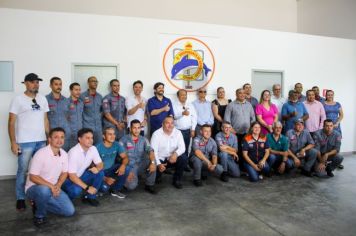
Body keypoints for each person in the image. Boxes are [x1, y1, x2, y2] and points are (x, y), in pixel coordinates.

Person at [8, 73, 49, 211]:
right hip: (25, 142)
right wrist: (13, 142)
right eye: (32, 82)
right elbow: (11, 123)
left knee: (40, 171)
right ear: (25, 83)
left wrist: (48, 137)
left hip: (41, 141)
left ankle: (36, 196)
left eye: (37, 82)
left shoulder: (42, 99)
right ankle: (20, 198)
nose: (35, 84)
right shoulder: (18, 100)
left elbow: (45, 120)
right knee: (23, 170)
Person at [25, 128, 75, 227]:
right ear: (49, 139)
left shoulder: (64, 154)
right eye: (56, 137)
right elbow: (33, 177)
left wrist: (58, 185)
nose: (59, 140)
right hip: (35, 188)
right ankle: (39, 215)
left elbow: (64, 173)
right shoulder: (41, 154)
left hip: (53, 187)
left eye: (62, 137)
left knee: (69, 211)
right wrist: (51, 187)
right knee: (44, 191)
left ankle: (38, 203)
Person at [62, 128, 104, 207]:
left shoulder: (93, 148)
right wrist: (88, 188)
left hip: (80, 175)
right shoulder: (74, 152)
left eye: (91, 138)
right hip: (67, 180)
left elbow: (100, 164)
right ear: (80, 139)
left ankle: (90, 197)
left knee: (100, 173)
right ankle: (65, 200)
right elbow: (72, 176)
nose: (91, 140)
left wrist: (97, 168)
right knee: (76, 190)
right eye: (87, 138)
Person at [120, 120, 157, 194]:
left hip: (140, 164)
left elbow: (150, 151)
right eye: (134, 128)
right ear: (130, 129)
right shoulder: (124, 140)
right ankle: (124, 180)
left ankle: (149, 185)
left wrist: (152, 162)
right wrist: (127, 170)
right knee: (131, 186)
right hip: (130, 166)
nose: (137, 130)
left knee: (153, 160)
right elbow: (121, 157)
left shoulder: (144, 139)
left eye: (138, 128)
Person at [150, 116, 187, 189]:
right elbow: (153, 152)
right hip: (160, 159)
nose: (170, 125)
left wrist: (175, 154)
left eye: (172, 123)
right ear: (162, 124)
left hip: (172, 158)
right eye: (167, 123)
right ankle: (158, 175)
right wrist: (159, 164)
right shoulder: (156, 134)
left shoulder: (178, 133)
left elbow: (182, 147)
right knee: (155, 175)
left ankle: (177, 180)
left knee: (183, 158)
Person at [96, 127, 130, 199]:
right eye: (109, 134)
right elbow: (92, 168)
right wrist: (104, 178)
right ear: (104, 136)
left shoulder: (117, 144)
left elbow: (125, 157)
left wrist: (123, 166)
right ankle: (100, 188)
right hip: (100, 172)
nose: (112, 136)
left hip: (111, 169)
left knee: (127, 168)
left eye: (114, 134)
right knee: (104, 188)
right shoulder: (97, 147)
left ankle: (115, 190)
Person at [224, 88, 255, 158]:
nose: (242, 95)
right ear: (236, 94)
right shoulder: (231, 105)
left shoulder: (249, 105)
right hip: (235, 133)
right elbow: (226, 120)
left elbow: (253, 118)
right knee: (236, 150)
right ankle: (237, 166)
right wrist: (231, 130)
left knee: (247, 150)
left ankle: (245, 165)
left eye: (243, 93)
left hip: (247, 132)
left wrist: (251, 130)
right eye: (240, 93)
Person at [46, 77, 70, 151]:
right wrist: (47, 135)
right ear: (50, 86)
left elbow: (68, 116)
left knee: (65, 155)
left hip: (65, 134)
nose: (58, 86)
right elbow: (44, 118)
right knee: (52, 156)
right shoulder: (45, 99)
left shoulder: (66, 100)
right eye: (56, 84)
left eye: (60, 84)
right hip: (52, 134)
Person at [173, 89, 197, 158]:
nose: (184, 96)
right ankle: (179, 164)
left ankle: (185, 164)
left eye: (185, 95)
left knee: (186, 147)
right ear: (178, 96)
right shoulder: (174, 105)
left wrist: (193, 129)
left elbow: (194, 117)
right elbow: (174, 117)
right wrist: (182, 113)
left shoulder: (190, 105)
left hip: (188, 131)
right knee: (178, 148)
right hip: (177, 131)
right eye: (182, 95)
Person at [81, 76, 103, 144]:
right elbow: (79, 111)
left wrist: (99, 117)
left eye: (96, 81)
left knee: (98, 147)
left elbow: (102, 111)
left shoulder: (100, 96)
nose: (95, 83)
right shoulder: (82, 96)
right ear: (88, 83)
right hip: (87, 127)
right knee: (87, 146)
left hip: (98, 128)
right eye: (93, 81)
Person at [67, 82, 84, 148]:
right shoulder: (66, 102)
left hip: (80, 132)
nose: (78, 92)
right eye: (76, 90)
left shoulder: (81, 103)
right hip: (70, 133)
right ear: (71, 91)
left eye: (79, 90)